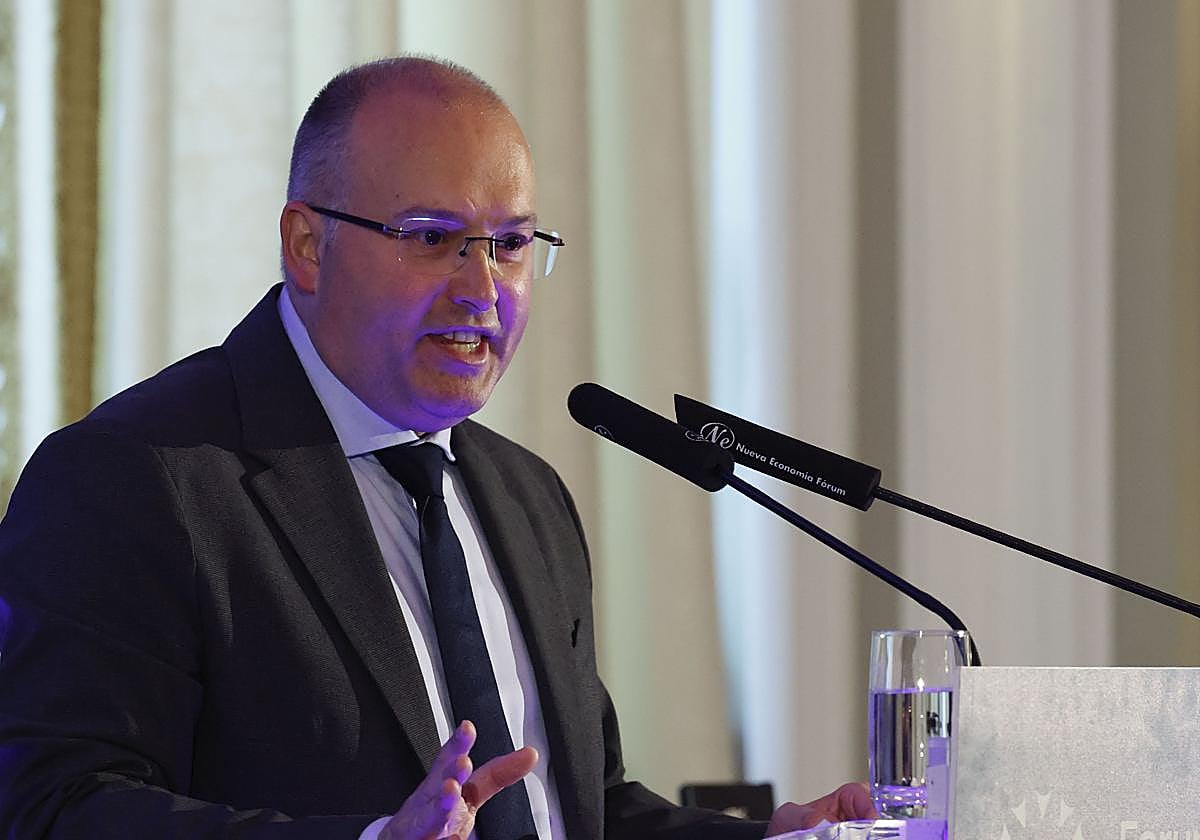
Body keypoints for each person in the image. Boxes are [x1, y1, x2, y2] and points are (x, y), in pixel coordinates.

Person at [0, 56, 876, 839]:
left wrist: (769, 839)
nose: (483, 289)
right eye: (431, 238)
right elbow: (56, 807)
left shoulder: (529, 496)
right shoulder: (133, 478)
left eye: (512, 244)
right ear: (307, 245)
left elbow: (581, 809)